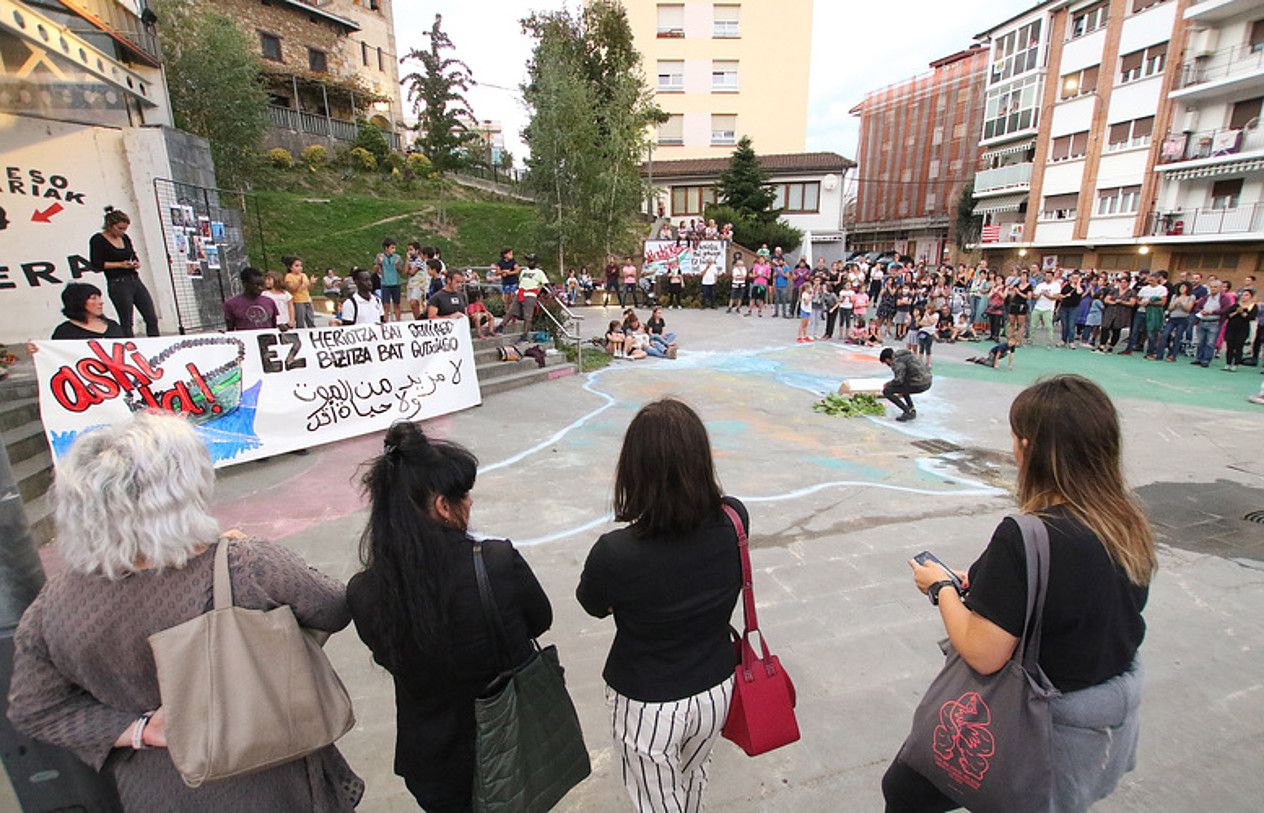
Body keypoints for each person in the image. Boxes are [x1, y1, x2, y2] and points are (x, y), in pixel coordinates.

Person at [7, 412, 363, 810]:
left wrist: (139, 729)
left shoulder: (54, 603)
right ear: (181, 493)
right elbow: (333, 607)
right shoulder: (245, 565)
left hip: (159, 790)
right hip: (276, 777)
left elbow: (34, 708)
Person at [887, 375, 1152, 812]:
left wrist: (941, 588)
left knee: (905, 788)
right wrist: (984, 581)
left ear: (1030, 447)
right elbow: (1080, 595)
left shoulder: (1027, 534)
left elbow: (982, 652)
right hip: (1097, 727)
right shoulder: (1126, 522)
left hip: (1035, 724)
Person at [347, 423, 551, 812]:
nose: (470, 502)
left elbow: (388, 657)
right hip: (509, 745)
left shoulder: (365, 592)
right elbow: (539, 620)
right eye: (464, 494)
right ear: (443, 506)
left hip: (430, 761)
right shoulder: (495, 563)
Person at [577, 399, 743, 813]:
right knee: (694, 775)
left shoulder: (615, 552)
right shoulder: (734, 519)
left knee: (657, 801)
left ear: (635, 470)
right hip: (716, 687)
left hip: (648, 702)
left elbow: (592, 603)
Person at [89, 207, 160, 337]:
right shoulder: (98, 239)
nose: (122, 232)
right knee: (127, 321)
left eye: (125, 229)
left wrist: (135, 262)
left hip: (134, 279)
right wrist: (120, 264)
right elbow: (96, 264)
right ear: (110, 225)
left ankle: (155, 341)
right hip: (117, 282)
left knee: (151, 317)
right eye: (120, 228)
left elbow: (132, 254)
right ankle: (129, 344)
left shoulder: (125, 238)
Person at [47, 283, 126, 341]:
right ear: (79, 302)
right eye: (93, 298)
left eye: (99, 297)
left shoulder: (113, 326)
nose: (100, 302)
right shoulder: (64, 332)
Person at [500, 254, 549, 340]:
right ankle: (501, 326)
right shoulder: (524, 271)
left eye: (531, 261)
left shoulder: (539, 272)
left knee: (527, 315)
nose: (529, 263)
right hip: (520, 292)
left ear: (535, 262)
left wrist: (552, 291)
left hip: (530, 294)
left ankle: (525, 334)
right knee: (511, 310)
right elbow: (520, 281)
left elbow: (546, 283)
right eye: (528, 261)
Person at [879, 346, 932, 422]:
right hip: (927, 381)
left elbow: (898, 380)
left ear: (887, 359)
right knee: (902, 385)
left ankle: (907, 411)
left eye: (885, 362)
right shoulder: (906, 355)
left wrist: (889, 384)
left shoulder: (896, 361)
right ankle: (911, 408)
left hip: (920, 384)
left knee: (887, 391)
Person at [223, 267, 279, 331]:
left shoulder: (270, 302)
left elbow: (274, 326)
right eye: (256, 285)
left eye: (262, 285)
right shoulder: (231, 304)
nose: (260, 288)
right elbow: (230, 330)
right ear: (245, 284)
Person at [1192, 279, 1228, 368]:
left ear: (1220, 288)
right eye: (1211, 287)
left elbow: (1225, 310)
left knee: (1210, 343)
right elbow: (1197, 307)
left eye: (1215, 287)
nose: (1213, 289)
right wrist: (1201, 311)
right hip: (1202, 321)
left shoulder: (1224, 299)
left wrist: (1212, 312)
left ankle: (1206, 360)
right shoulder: (1206, 297)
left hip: (1214, 323)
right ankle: (1198, 358)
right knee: (1200, 342)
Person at [1157, 281, 1195, 362]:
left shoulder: (1191, 297)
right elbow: (1170, 308)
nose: (1182, 289)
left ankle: (1172, 355)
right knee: (1164, 335)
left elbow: (1188, 309)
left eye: (1184, 287)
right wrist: (1175, 303)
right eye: (1181, 287)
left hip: (1183, 319)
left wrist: (1181, 303)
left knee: (1177, 337)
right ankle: (1159, 354)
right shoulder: (1175, 296)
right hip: (1172, 318)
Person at [1223, 289, 1256, 372]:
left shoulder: (1252, 306)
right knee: (1230, 346)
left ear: (1251, 297)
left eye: (1246, 295)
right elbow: (1227, 315)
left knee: (1239, 346)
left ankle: (1236, 364)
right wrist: (1236, 312)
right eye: (1243, 295)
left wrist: (1243, 313)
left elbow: (1252, 317)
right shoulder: (1236, 305)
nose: (1244, 297)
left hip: (1243, 329)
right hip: (1231, 328)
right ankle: (1228, 363)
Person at [375, 238, 404, 322]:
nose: (394, 250)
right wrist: (379, 263)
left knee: (397, 304)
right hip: (385, 284)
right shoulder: (380, 256)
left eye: (394, 248)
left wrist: (397, 265)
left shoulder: (397, 257)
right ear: (386, 248)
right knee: (386, 305)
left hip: (396, 283)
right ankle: (385, 322)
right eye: (392, 248)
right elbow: (376, 270)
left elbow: (401, 271)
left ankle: (398, 322)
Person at [283, 255, 316, 328]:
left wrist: (311, 283)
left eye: (300, 266)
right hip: (298, 301)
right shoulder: (289, 276)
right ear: (290, 267)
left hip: (307, 299)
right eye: (296, 266)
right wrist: (299, 283)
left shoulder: (304, 275)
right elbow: (292, 289)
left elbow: (308, 288)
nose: (300, 268)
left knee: (311, 319)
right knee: (300, 320)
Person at [1030, 271, 1061, 348]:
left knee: (1048, 326)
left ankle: (1050, 342)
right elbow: (1034, 296)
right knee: (1033, 325)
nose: (1047, 278)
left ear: (1052, 277)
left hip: (1048, 309)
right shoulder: (1040, 285)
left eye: (1049, 276)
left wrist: (1046, 294)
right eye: (1046, 276)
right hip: (1038, 307)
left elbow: (1055, 297)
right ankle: (1030, 339)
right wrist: (1040, 294)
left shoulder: (1056, 285)